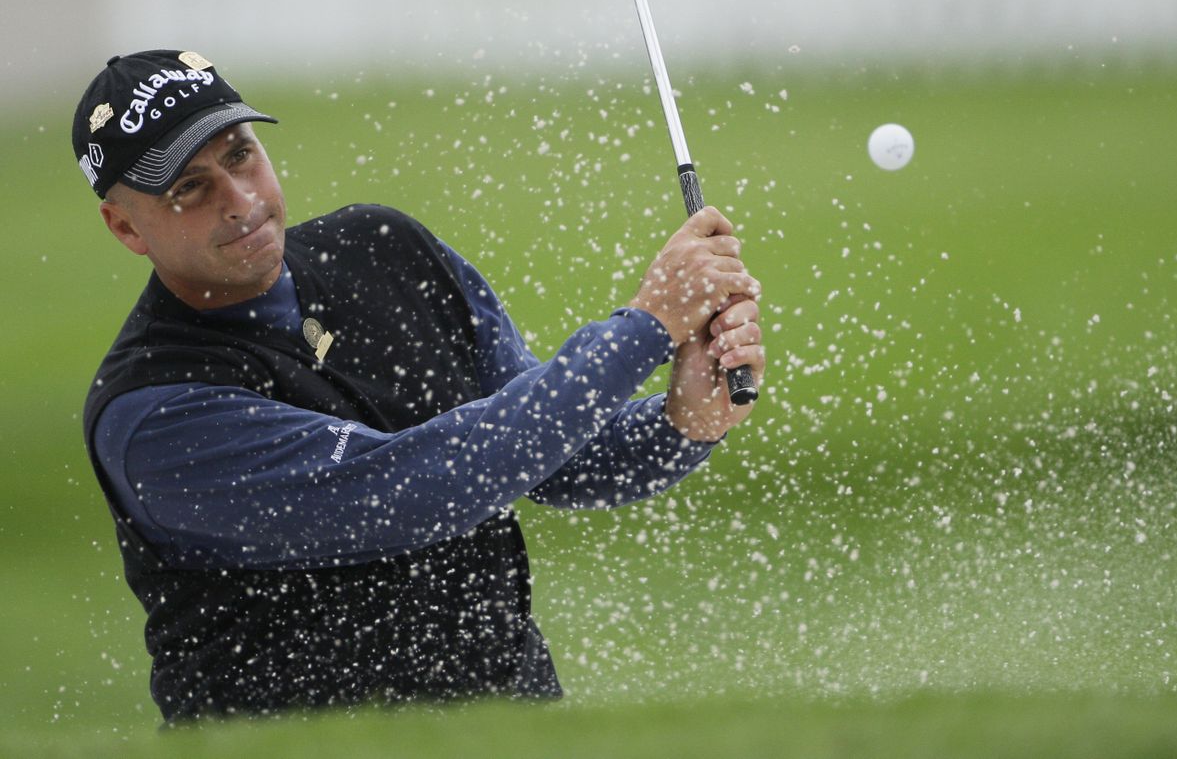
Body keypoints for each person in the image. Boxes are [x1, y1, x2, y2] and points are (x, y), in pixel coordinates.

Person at [73, 49, 764, 723]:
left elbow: (561, 458)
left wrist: (684, 423)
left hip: (512, 721)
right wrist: (646, 325)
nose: (241, 200)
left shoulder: (384, 246)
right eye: (189, 188)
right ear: (125, 225)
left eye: (239, 154)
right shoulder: (153, 412)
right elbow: (412, 487)